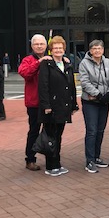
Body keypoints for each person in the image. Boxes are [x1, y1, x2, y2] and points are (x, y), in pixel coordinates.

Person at [38, 36, 78, 176]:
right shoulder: (46, 64)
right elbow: (43, 86)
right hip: (51, 107)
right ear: (51, 50)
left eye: (60, 48)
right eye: (55, 48)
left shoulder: (67, 65)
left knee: (58, 136)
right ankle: (51, 166)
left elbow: (71, 86)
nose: (58, 50)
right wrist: (46, 105)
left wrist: (73, 105)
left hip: (63, 106)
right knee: (51, 137)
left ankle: (57, 163)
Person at [18, 34, 53, 171]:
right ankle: (30, 159)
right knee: (34, 131)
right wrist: (39, 62)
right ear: (32, 46)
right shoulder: (28, 60)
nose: (39, 46)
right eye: (36, 44)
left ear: (46, 45)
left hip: (49, 102)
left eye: (41, 44)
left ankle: (51, 157)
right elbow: (24, 73)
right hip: (34, 103)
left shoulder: (51, 58)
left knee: (50, 130)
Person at [79, 40, 109, 174]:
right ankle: (90, 160)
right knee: (92, 131)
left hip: (104, 101)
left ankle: (97, 157)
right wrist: (98, 94)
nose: (97, 51)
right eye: (94, 48)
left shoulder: (108, 62)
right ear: (90, 51)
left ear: (103, 50)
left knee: (100, 130)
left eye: (99, 48)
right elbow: (85, 82)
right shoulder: (84, 63)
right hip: (90, 101)